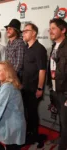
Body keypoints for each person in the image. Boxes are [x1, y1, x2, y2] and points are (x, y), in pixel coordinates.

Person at [22, 23, 47, 144]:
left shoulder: (39, 49)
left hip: (34, 88)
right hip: (25, 87)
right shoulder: (26, 48)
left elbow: (42, 70)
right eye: (23, 31)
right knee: (26, 112)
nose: (24, 32)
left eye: (26, 30)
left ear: (34, 33)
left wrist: (40, 88)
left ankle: (35, 135)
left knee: (32, 112)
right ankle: (29, 133)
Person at [47, 18, 67, 150]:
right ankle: (62, 140)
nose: (50, 31)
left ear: (63, 30)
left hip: (65, 92)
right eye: (50, 29)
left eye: (53, 28)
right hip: (56, 90)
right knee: (61, 121)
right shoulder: (54, 46)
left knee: (66, 123)